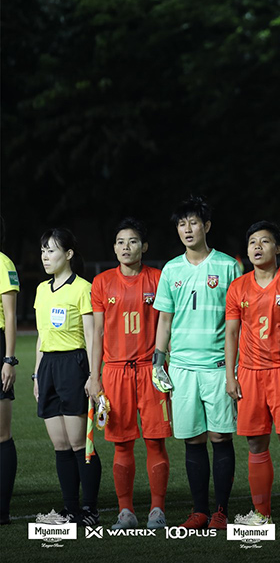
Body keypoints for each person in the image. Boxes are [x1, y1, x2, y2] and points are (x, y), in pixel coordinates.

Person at [153, 196, 241, 529]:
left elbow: (238, 322)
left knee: (220, 437)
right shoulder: (171, 269)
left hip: (218, 366)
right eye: (181, 224)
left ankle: (221, 511)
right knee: (193, 439)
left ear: (206, 226)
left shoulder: (228, 267)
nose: (187, 229)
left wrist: (235, 367)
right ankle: (199, 511)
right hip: (182, 368)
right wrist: (158, 361)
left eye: (193, 222)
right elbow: (164, 320)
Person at [91, 218, 170, 529]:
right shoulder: (102, 282)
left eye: (133, 241)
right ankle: (126, 512)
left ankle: (157, 510)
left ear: (144, 247)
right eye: (121, 242)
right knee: (121, 443)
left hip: (151, 371)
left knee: (155, 442)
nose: (126, 247)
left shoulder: (158, 279)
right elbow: (97, 332)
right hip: (115, 373)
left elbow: (167, 326)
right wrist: (95, 376)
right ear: (114, 248)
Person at [225, 221, 280, 526]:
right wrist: (231, 376)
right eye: (252, 243)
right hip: (249, 374)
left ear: (278, 248)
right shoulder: (238, 287)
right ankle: (261, 513)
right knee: (256, 444)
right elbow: (232, 334)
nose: (257, 247)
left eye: (265, 241)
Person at [33, 228, 102, 525]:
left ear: (69, 254)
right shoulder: (41, 289)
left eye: (51, 250)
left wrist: (93, 376)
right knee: (60, 445)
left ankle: (90, 509)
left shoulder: (83, 288)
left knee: (79, 444)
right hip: (48, 366)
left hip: (74, 365)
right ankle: (70, 509)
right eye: (43, 250)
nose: (45, 256)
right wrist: (37, 376)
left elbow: (92, 335)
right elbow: (41, 336)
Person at [0, 220, 20, 525]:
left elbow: (11, 315)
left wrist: (8, 359)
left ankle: (2, 510)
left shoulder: (3, 264)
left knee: (1, 434)